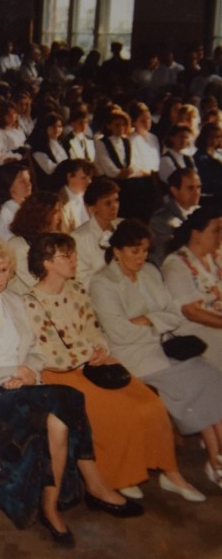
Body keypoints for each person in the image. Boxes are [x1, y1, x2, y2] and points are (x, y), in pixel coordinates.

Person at [0, 237, 140, 548]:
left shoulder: (15, 302)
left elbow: (33, 352)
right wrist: (10, 373)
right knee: (71, 400)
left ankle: (50, 505)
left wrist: (28, 373)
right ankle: (85, 489)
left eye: (5, 270)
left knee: (60, 421)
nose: (0, 278)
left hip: (25, 388)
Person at [27, 232, 207, 501]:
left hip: (94, 364)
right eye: (66, 256)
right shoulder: (31, 301)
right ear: (46, 263)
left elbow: (93, 327)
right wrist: (90, 352)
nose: (75, 259)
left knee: (150, 403)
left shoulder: (76, 289)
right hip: (60, 375)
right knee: (118, 412)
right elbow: (50, 354)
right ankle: (121, 476)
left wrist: (101, 348)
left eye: (74, 253)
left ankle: (171, 472)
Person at [90, 220, 222, 491]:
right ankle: (214, 460)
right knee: (201, 382)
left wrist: (146, 320)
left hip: (163, 349)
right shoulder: (103, 283)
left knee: (211, 376)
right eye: (134, 251)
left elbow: (174, 314)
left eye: (145, 251)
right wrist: (155, 323)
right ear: (117, 251)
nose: (142, 257)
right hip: (134, 359)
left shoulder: (150, 271)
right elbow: (120, 335)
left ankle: (216, 459)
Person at [162, 206, 222, 369]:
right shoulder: (176, 265)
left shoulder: (216, 257)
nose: (220, 237)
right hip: (194, 331)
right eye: (216, 231)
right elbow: (191, 312)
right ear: (196, 233)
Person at [6, 192, 64, 294]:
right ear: (41, 215)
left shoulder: (55, 239)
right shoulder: (17, 245)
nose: (59, 218)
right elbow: (34, 282)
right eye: (55, 212)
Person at [71, 177, 122, 287]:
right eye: (108, 203)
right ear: (92, 208)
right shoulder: (79, 238)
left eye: (116, 200)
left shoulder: (123, 226)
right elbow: (82, 280)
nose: (115, 206)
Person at [149, 168, 202, 266]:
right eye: (190, 188)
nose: (196, 192)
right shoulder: (160, 220)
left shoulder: (203, 213)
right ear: (174, 190)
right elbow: (167, 255)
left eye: (198, 187)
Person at [0, 164, 33, 240]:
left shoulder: (29, 207)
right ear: (10, 186)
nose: (28, 184)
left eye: (28, 180)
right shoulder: (5, 212)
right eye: (22, 181)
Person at [28, 113, 69, 191]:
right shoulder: (39, 148)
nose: (57, 129)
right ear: (45, 127)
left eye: (59, 126)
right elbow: (50, 170)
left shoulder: (62, 144)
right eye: (53, 126)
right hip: (50, 186)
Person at [55, 159, 94, 232]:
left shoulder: (89, 197)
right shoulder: (59, 203)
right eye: (83, 178)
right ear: (69, 177)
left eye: (90, 178)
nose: (89, 181)